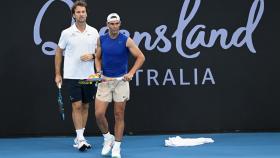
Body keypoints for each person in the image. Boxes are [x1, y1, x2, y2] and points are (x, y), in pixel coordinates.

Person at [94, 13, 145, 158]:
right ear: (107, 24)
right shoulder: (101, 40)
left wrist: (131, 73)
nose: (114, 26)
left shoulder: (126, 40)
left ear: (120, 24)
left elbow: (141, 57)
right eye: (112, 23)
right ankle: (107, 138)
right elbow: (97, 58)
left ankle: (117, 146)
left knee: (119, 115)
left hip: (121, 82)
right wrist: (98, 72)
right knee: (99, 114)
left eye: (117, 23)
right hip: (104, 81)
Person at [54, 0, 99, 151]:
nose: (81, 14)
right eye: (78, 12)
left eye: (83, 12)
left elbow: (99, 52)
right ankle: (80, 139)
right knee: (77, 105)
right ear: (74, 15)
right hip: (72, 76)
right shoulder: (66, 33)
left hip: (89, 76)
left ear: (86, 13)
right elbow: (59, 52)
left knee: (85, 106)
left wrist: (92, 56)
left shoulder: (94, 32)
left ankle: (80, 135)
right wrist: (58, 73)